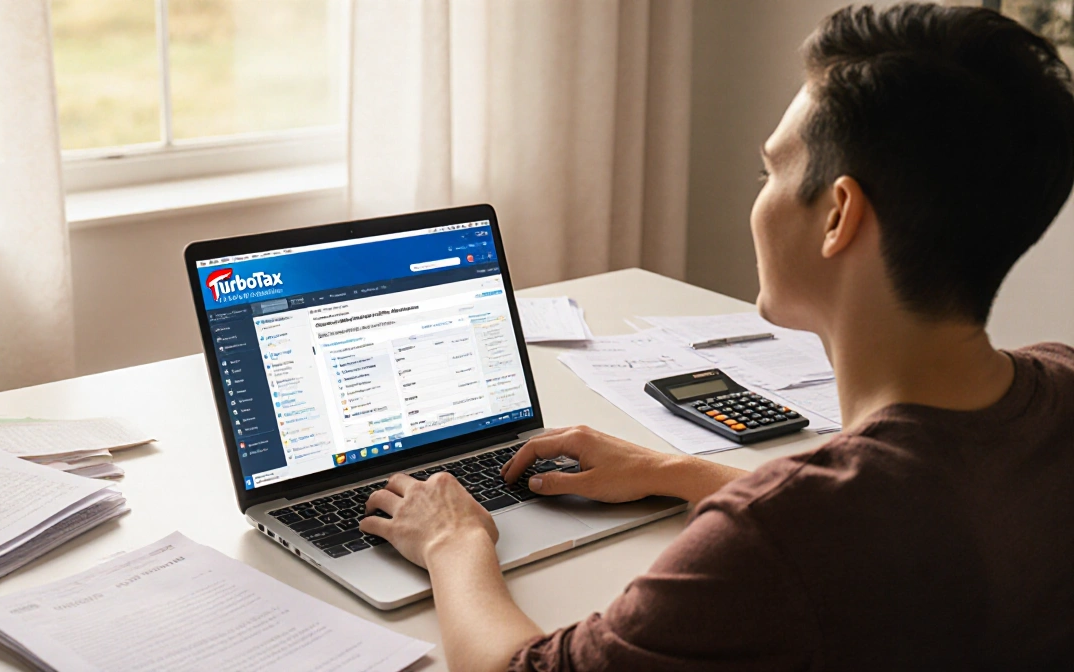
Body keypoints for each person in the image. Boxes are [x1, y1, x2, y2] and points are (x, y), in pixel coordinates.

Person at [358, 4, 1074, 670]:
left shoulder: (776, 536)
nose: (757, 196)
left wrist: (454, 541)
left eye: (767, 170)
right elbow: (906, 515)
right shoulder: (1060, 389)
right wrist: (672, 471)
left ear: (838, 216)